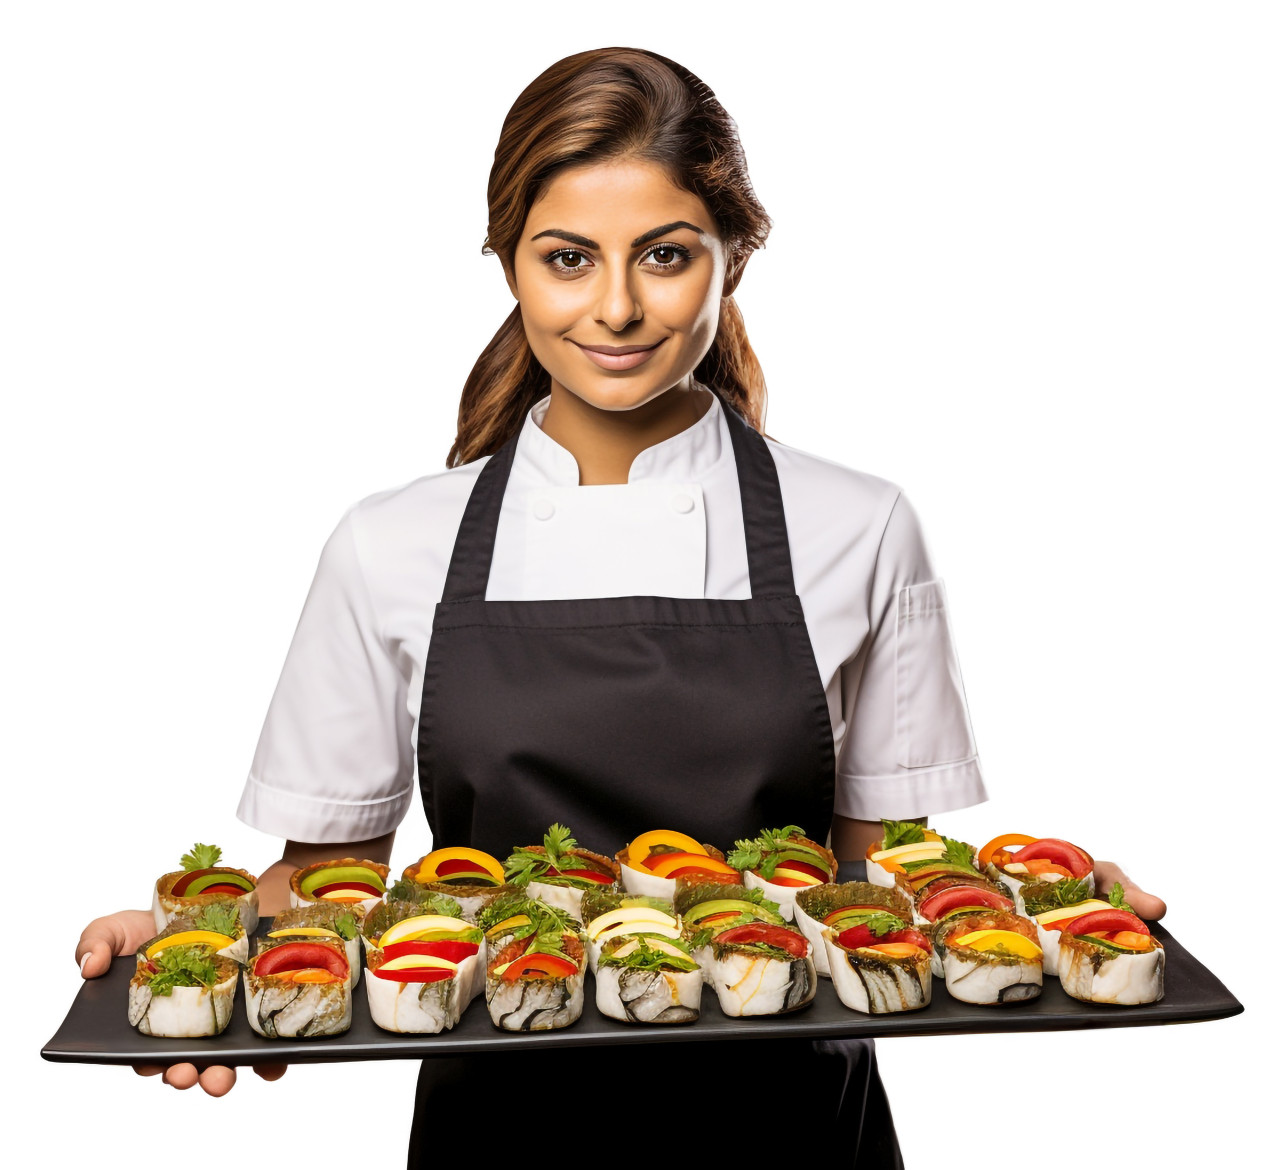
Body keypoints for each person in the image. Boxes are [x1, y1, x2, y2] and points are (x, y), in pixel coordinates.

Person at [75, 47, 1165, 1167]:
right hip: (500, 1128)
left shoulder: (859, 523)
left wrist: (1054, 908)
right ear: (509, 266)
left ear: (733, 258)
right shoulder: (389, 542)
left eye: (665, 256)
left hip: (792, 1124)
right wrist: (182, 944)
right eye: (565, 259)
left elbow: (875, 872)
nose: (616, 307)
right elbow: (322, 889)